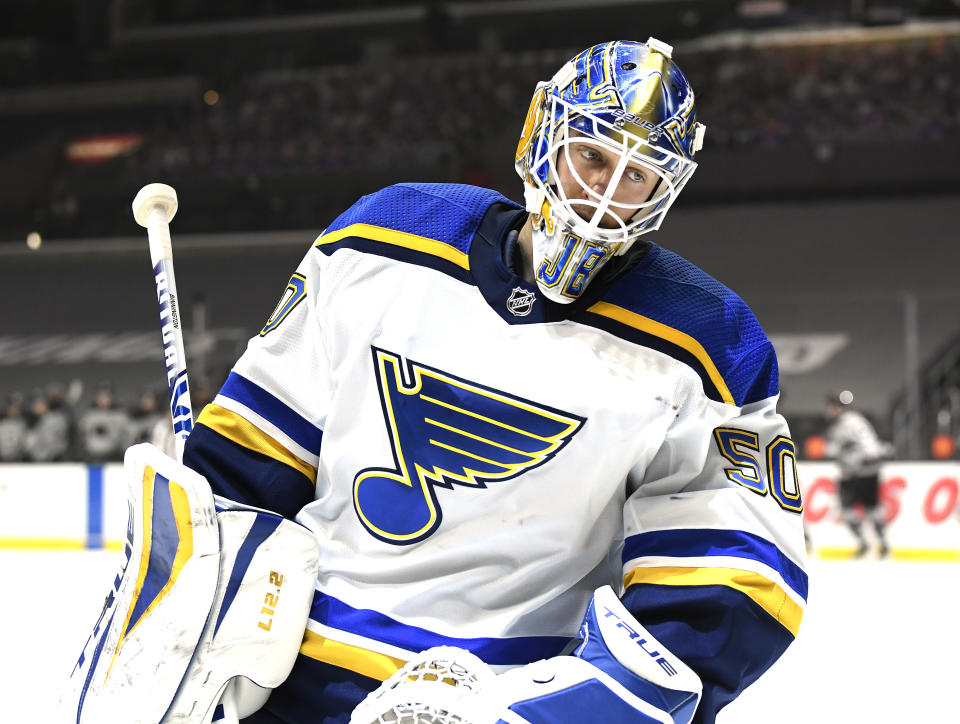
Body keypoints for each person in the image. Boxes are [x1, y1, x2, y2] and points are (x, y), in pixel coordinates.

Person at [178, 39, 807, 723]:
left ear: (666, 187)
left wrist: (565, 713)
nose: (603, 194)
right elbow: (253, 455)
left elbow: (730, 580)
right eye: (592, 155)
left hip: (510, 699)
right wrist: (189, 600)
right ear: (545, 137)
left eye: (636, 175)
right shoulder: (383, 237)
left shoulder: (710, 342)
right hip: (294, 683)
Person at [824, 390, 892, 558]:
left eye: (831, 407)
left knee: (864, 510)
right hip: (857, 472)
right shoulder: (849, 422)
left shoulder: (849, 423)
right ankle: (873, 544)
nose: (829, 410)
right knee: (861, 511)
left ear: (838, 407)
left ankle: (875, 544)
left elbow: (868, 448)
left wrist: (861, 458)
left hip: (859, 472)